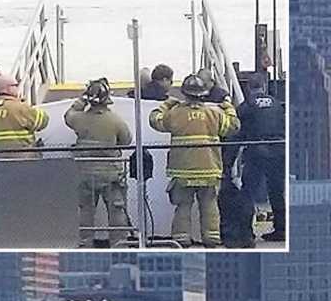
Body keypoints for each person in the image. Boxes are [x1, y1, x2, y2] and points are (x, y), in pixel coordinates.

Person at [149, 73, 240, 247]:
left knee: (183, 206)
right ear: (204, 94)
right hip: (209, 169)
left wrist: (166, 104)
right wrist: (228, 106)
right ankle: (212, 239)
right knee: (209, 205)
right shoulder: (214, 113)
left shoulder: (175, 114)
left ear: (184, 93)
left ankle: (181, 240)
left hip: (182, 170)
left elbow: (155, 121)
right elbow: (234, 126)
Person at [64, 78, 131, 247]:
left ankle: (85, 243)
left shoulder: (79, 119)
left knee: (85, 210)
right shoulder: (116, 120)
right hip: (111, 174)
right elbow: (126, 140)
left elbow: (68, 115)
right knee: (116, 210)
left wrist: (80, 101)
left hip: (85, 173)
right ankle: (119, 244)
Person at [237, 73, 286, 242]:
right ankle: (281, 229)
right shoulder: (278, 104)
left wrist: (229, 162)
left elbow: (237, 133)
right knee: (277, 192)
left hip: (256, 152)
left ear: (249, 88)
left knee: (248, 192)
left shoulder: (246, 106)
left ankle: (245, 233)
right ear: (264, 87)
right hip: (279, 151)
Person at [0, 75, 49, 156]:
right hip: (24, 161)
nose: (18, 88)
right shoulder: (20, 108)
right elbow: (43, 121)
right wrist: (26, 105)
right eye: (16, 85)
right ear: (8, 88)